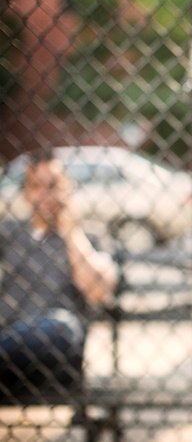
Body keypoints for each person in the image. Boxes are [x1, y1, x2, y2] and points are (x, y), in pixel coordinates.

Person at [0, 151, 118, 394]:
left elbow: (99, 292)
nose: (46, 194)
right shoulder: (9, 234)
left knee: (59, 325)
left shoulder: (89, 237)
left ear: (68, 189)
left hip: (57, 356)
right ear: (25, 193)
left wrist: (70, 231)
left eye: (53, 185)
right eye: (36, 186)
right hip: (8, 354)